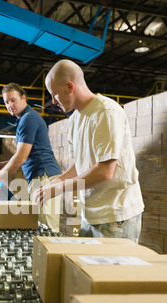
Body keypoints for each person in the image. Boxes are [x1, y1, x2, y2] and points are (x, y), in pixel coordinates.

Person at [35, 59, 144, 243]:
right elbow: (81, 164)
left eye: (55, 94)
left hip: (115, 217)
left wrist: (61, 187)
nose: (53, 101)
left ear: (70, 87)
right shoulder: (75, 119)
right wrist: (55, 182)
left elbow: (105, 171)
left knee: (110, 271)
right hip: (90, 215)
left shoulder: (105, 112)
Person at [0, 82, 62, 232]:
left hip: (44, 178)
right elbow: (25, 154)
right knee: (40, 225)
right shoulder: (26, 118)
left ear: (24, 98)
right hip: (40, 177)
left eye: (13, 100)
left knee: (47, 228)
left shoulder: (28, 119)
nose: (10, 105)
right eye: (6, 102)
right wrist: (2, 164)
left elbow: (21, 158)